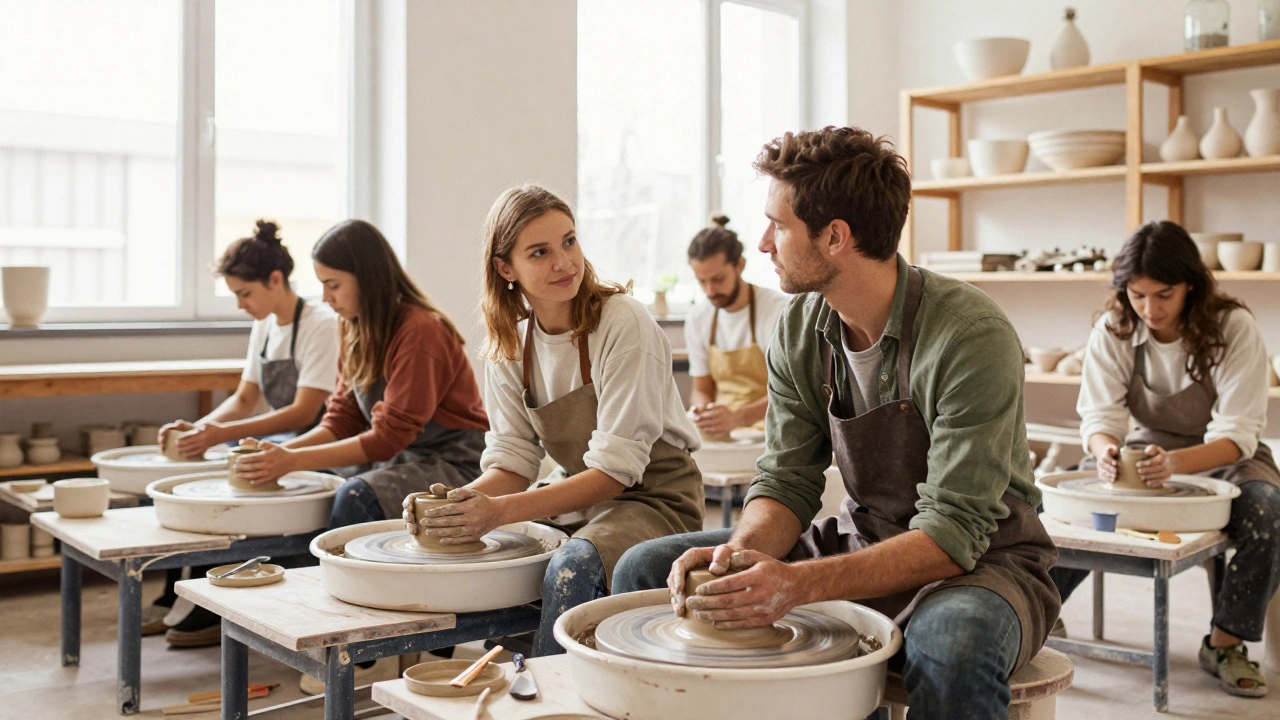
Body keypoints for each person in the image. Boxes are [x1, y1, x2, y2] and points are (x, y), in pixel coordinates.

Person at [613, 126, 1060, 720]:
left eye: (778, 224)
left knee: (951, 647)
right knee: (644, 568)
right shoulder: (801, 327)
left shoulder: (969, 335)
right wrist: (740, 559)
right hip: (864, 538)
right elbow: (786, 482)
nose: (765, 243)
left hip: (983, 565)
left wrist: (797, 585)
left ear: (835, 237)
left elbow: (952, 535)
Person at [408, 185, 704, 656]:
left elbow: (614, 473)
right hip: (575, 491)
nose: (564, 262)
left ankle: (549, 699)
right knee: (500, 553)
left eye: (569, 241)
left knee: (573, 564)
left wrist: (500, 511)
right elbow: (513, 464)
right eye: (540, 252)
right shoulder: (509, 343)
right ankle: (506, 678)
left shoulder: (622, 322)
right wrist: (458, 505)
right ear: (506, 268)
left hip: (654, 495)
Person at [1060, 220, 1277, 698]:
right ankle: (1040, 613)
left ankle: (1226, 643)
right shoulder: (1114, 327)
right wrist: (1105, 453)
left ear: (1191, 287)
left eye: (1163, 295)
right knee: (1060, 506)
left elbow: (1237, 432)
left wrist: (1177, 463)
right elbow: (1099, 416)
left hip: (1224, 452)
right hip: (1145, 447)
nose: (1149, 309)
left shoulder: (1232, 327)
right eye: (1137, 295)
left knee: (1267, 510)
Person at [152, 220, 339, 647]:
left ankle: (219, 595)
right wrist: (198, 430)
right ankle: (180, 593)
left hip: (317, 438)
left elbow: (304, 410)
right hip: (278, 437)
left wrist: (221, 435)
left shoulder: (321, 324)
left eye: (245, 294)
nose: (240, 305)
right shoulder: (266, 324)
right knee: (206, 471)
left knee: (235, 464)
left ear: (276, 279)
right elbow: (243, 398)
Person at [234, 219, 488, 526]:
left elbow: (387, 439)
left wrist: (292, 460)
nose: (326, 298)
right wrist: (278, 454)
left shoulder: (420, 331)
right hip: (401, 457)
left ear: (368, 279)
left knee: (356, 497)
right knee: (312, 482)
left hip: (453, 463)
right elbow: (342, 420)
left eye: (333, 285)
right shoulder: (354, 327)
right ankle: (294, 570)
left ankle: (336, 573)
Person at [684, 215, 788, 437]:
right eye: (702, 281)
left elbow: (789, 393)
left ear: (740, 265)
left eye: (718, 279)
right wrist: (702, 411)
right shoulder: (698, 318)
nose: (710, 291)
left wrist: (738, 417)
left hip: (772, 427)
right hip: (725, 430)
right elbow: (701, 389)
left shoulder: (778, 310)